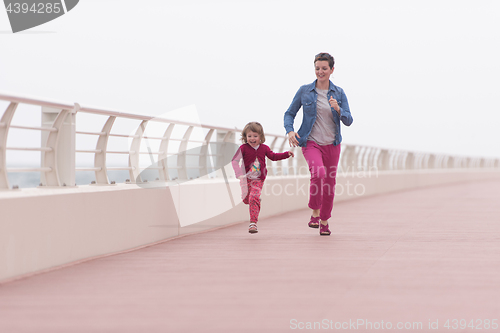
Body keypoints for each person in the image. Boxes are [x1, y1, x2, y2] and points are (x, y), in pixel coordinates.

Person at [284, 52, 353, 236]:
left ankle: (324, 221)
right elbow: (289, 113)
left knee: (329, 184)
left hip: (332, 144)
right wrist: (290, 131)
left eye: (324, 68)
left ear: (331, 70)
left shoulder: (339, 93)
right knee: (319, 173)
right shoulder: (305, 91)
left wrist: (338, 109)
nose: (320, 72)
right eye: (317, 68)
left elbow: (349, 120)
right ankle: (314, 211)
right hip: (310, 142)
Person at [232, 122, 294, 234]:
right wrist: (238, 174)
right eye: (249, 136)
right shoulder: (243, 148)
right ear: (245, 137)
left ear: (261, 136)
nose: (252, 138)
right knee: (246, 199)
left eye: (255, 136)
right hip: (245, 178)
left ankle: (253, 223)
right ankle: (254, 199)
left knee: (253, 197)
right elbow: (235, 161)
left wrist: (286, 154)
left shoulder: (264, 148)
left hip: (258, 179)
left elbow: (273, 156)